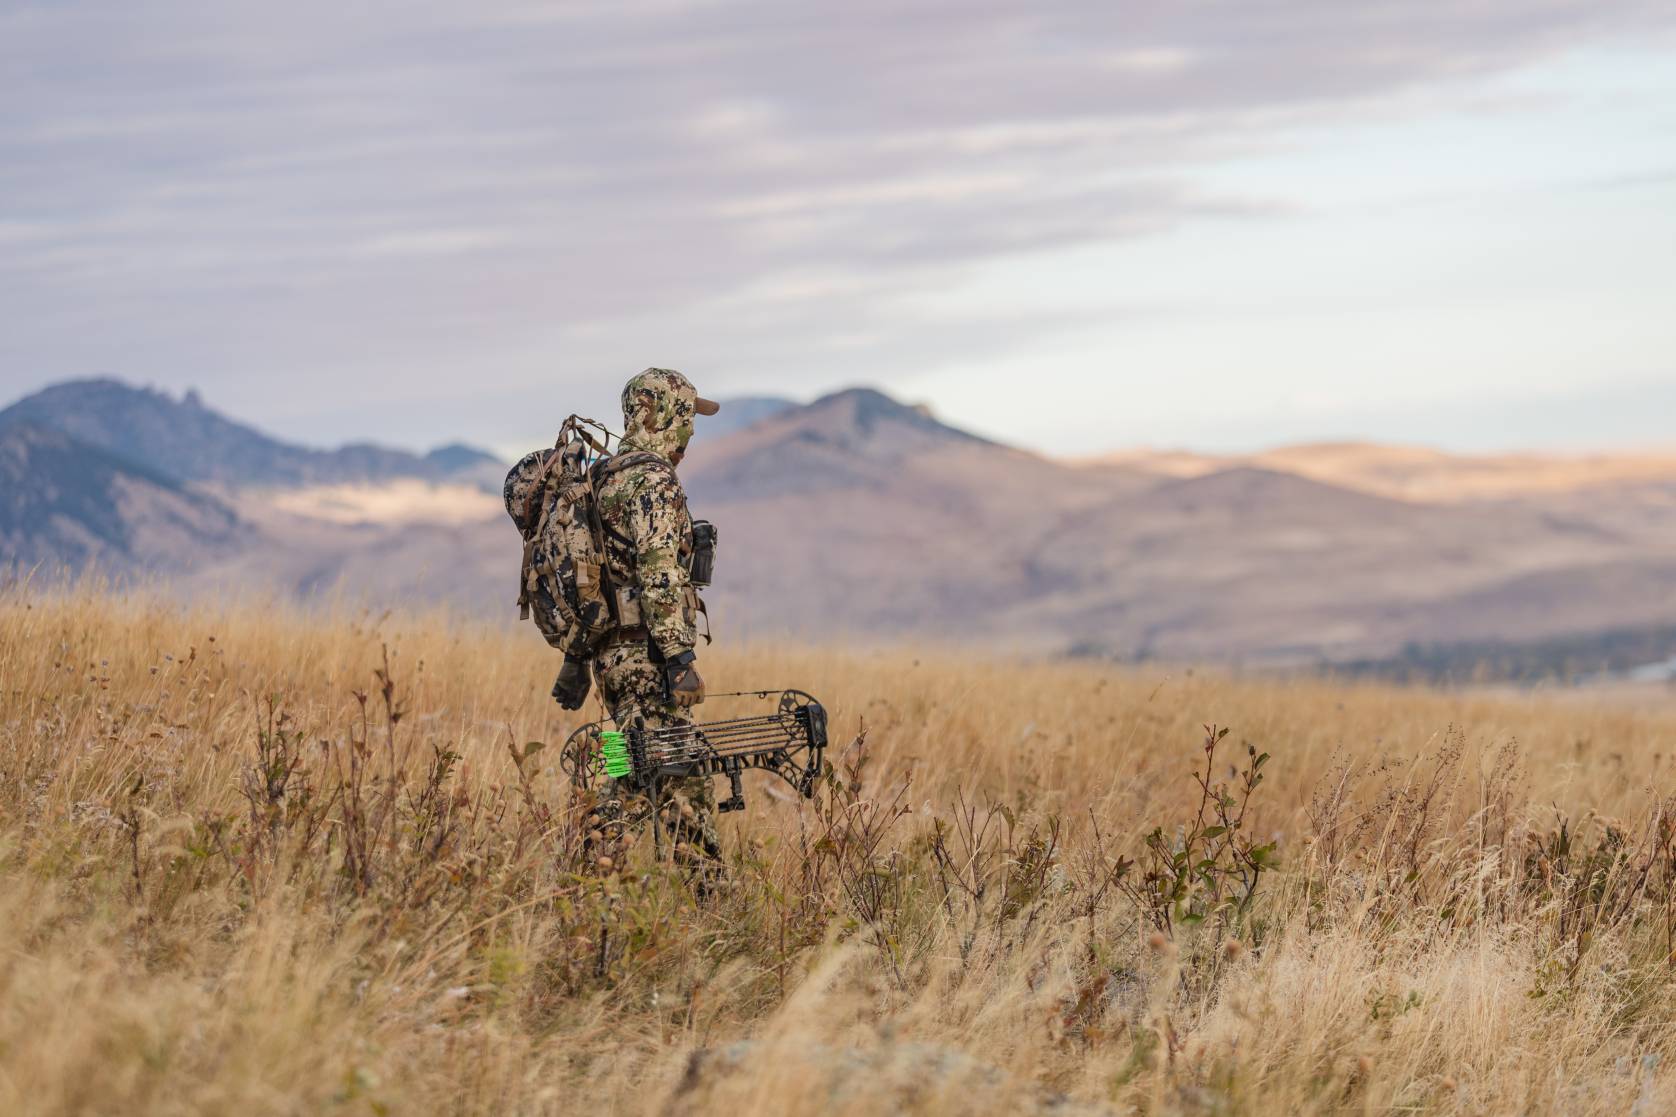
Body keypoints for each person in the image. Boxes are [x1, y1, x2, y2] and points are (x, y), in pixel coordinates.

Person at [550, 368, 722, 879]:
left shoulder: (599, 476)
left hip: (610, 660)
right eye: (687, 416)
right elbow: (658, 571)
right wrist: (679, 657)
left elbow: (594, 578)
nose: (691, 430)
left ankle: (588, 875)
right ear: (663, 414)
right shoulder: (652, 479)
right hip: (647, 659)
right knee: (678, 773)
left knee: (627, 759)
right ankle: (704, 900)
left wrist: (577, 659)